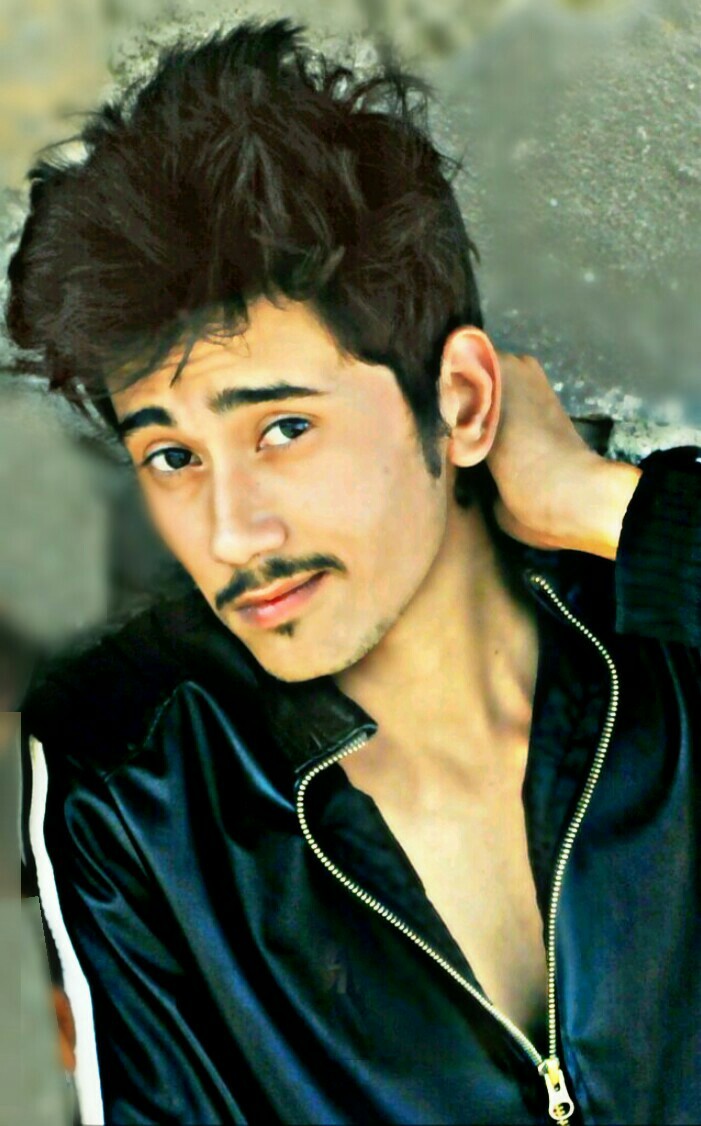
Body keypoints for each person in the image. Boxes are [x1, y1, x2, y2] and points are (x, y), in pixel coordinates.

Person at [8, 18, 700, 1125]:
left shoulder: (665, 651)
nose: (231, 534)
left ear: (459, 402)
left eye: (282, 428)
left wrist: (615, 510)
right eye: (172, 456)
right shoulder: (142, 795)